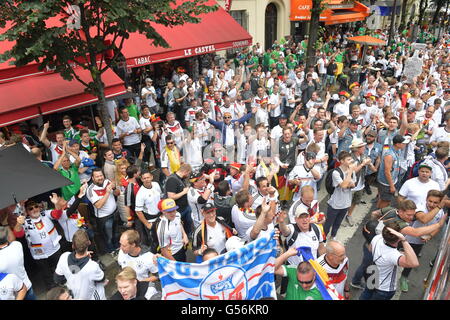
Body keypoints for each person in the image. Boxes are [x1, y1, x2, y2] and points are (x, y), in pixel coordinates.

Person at [400, 190, 447, 292]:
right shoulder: (419, 208)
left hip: (418, 243)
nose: (432, 204)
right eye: (430, 201)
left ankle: (403, 278)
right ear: (426, 199)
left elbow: (438, 226)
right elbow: (424, 219)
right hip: (404, 239)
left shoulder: (440, 212)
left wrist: (430, 235)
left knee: (411, 262)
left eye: (435, 203)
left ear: (439, 202)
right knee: (396, 258)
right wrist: (439, 206)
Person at [359, 222, 419, 300]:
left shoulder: (377, 238)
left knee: (366, 295)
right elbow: (414, 263)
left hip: (373, 277)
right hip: (384, 288)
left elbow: (370, 248)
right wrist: (404, 240)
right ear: (398, 237)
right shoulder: (394, 255)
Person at [54, 229, 107, 300]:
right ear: (89, 242)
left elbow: (57, 279)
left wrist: (72, 280)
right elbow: (102, 279)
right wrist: (88, 260)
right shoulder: (92, 266)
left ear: (73, 246)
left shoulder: (64, 256)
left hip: (75, 296)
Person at [118, 230, 160, 300]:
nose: (121, 248)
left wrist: (140, 282)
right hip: (128, 292)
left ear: (133, 244)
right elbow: (121, 268)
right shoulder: (121, 252)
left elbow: (158, 275)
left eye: (124, 245)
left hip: (144, 291)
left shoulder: (148, 257)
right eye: (120, 244)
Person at [86, 168, 120, 254]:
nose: (100, 178)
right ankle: (111, 251)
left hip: (115, 213)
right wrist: (107, 192)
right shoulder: (90, 190)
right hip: (104, 218)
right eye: (97, 176)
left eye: (101, 175)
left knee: (116, 233)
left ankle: (118, 247)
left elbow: (117, 193)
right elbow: (98, 205)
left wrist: (115, 187)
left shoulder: (107, 181)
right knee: (109, 236)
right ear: (93, 178)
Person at [324, 151, 356, 239]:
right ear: (342, 161)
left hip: (346, 203)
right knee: (328, 223)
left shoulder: (351, 171)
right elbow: (344, 185)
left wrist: (347, 182)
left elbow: (353, 184)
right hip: (335, 203)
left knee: (338, 222)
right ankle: (323, 239)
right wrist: (349, 174)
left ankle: (333, 236)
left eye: (351, 159)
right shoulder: (336, 172)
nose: (351, 161)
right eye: (348, 159)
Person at [346, 139, 375, 226]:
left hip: (360, 184)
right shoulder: (349, 158)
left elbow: (374, 170)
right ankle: (341, 215)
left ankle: (349, 215)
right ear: (357, 149)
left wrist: (370, 164)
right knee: (346, 202)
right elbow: (353, 171)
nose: (364, 147)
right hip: (350, 185)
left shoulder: (364, 156)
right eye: (362, 146)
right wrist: (362, 164)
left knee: (355, 201)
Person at [0, 226, 34, 300]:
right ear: (7, 237)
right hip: (27, 285)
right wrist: (6, 225)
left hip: (11, 293)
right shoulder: (17, 245)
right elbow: (12, 238)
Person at [377, 135, 408, 209]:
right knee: (385, 201)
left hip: (393, 181)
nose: (404, 145)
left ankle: (379, 210)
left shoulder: (397, 151)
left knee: (384, 199)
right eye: (403, 143)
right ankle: (379, 216)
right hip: (386, 183)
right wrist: (391, 186)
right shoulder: (390, 155)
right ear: (397, 144)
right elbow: (387, 172)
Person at [134, 170, 162, 246]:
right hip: (151, 220)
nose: (147, 179)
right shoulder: (141, 193)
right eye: (144, 178)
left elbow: (161, 198)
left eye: (148, 177)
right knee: (154, 241)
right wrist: (147, 224)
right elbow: (138, 211)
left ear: (152, 177)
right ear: (142, 180)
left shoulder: (156, 184)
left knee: (163, 237)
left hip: (161, 216)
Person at [165, 164, 193, 236]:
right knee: (178, 228)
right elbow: (171, 197)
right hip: (177, 210)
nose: (188, 175)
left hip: (185, 207)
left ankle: (188, 236)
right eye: (189, 173)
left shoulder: (181, 178)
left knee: (188, 224)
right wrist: (184, 192)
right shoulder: (172, 180)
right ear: (186, 172)